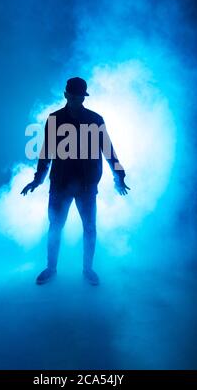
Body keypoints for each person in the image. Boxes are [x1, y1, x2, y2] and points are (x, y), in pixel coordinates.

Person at [21, 77, 130, 285]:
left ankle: (88, 269)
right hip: (60, 185)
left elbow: (108, 150)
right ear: (66, 96)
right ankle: (51, 268)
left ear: (83, 97)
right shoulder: (54, 120)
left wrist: (119, 176)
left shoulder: (96, 120)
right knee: (55, 226)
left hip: (87, 186)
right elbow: (46, 153)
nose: (77, 101)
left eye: (80, 97)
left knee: (89, 228)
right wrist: (37, 180)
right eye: (73, 97)